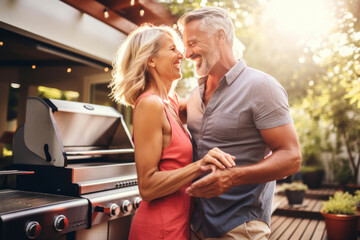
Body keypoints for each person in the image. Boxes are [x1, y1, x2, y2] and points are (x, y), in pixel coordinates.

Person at [177, 7, 302, 239]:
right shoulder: (194, 96)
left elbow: (291, 158)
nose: (186, 54)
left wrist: (232, 176)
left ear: (220, 36)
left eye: (192, 43)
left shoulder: (261, 86)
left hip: (240, 226)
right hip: (195, 223)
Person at [109, 24, 235, 240]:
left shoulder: (171, 103)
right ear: (151, 60)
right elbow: (147, 187)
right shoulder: (150, 105)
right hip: (159, 229)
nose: (182, 55)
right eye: (172, 49)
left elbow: (212, 104)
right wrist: (200, 165)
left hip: (179, 226)